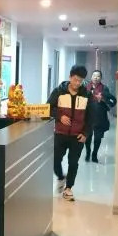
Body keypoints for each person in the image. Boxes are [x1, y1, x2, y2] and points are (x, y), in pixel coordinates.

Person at [47, 65, 92, 201]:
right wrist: (59, 116)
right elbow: (48, 108)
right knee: (56, 159)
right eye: (75, 79)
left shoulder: (86, 94)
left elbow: (91, 116)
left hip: (77, 136)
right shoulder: (58, 91)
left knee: (73, 162)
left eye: (80, 81)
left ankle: (68, 188)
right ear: (70, 77)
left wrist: (86, 133)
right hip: (60, 133)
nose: (77, 83)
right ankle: (61, 177)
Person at [84, 70, 117, 163]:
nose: (96, 77)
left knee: (97, 138)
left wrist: (103, 99)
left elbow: (112, 102)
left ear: (101, 78)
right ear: (91, 77)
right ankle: (88, 152)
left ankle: (94, 154)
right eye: (94, 75)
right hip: (88, 117)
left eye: (98, 76)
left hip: (100, 117)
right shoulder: (85, 87)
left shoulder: (104, 88)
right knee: (88, 137)